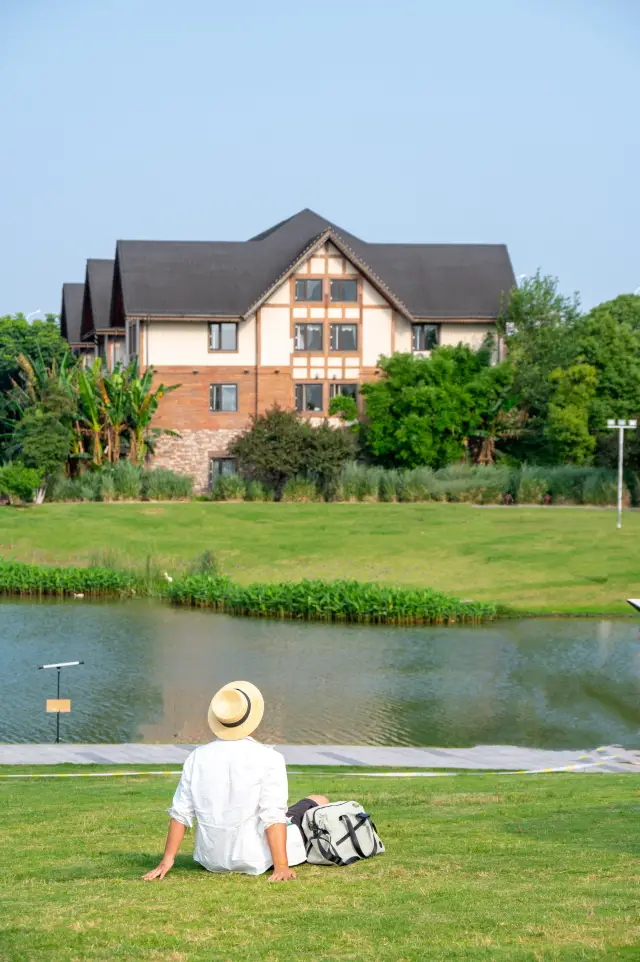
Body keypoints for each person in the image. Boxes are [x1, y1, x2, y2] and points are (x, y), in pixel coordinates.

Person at [143, 680, 328, 883]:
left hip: (210, 859)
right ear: (253, 720)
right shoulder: (269, 758)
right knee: (319, 800)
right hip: (255, 858)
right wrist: (281, 865)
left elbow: (181, 812)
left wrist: (167, 860)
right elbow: (272, 814)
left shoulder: (197, 756)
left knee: (303, 806)